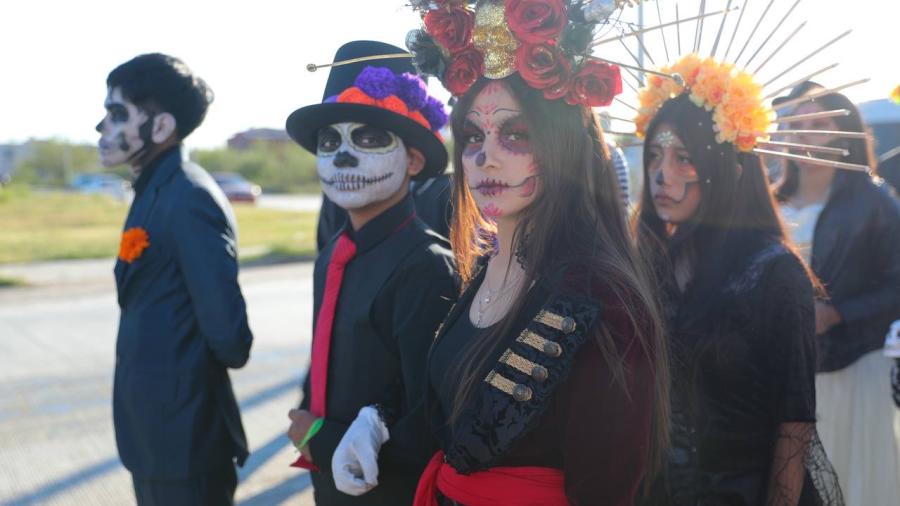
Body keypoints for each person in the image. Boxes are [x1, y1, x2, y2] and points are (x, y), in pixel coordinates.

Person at [332, 2, 669, 504]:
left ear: (560, 145)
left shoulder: (604, 299)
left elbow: (608, 486)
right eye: (472, 135)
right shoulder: (484, 267)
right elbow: (452, 414)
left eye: (515, 134)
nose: (485, 155)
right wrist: (377, 421)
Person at [633, 56, 842, 505]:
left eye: (683, 158)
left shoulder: (773, 271)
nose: (660, 174)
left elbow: (795, 421)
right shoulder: (647, 263)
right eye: (654, 156)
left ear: (726, 169)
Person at [283, 40, 457, 505]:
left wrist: (320, 436)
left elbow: (427, 418)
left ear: (414, 160)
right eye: (329, 141)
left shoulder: (426, 266)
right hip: (329, 484)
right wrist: (307, 417)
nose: (341, 156)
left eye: (368, 138)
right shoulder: (335, 254)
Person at [98, 53, 253, 505]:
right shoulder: (156, 188)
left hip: (186, 443)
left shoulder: (188, 197)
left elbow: (230, 338)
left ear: (161, 127)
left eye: (117, 114)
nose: (101, 128)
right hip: (157, 439)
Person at [773, 85, 900, 505]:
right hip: (784, 370)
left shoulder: (874, 200)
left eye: (818, 125)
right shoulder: (770, 202)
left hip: (852, 368)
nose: (805, 135)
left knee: (851, 480)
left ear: (843, 131)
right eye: (795, 125)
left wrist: (838, 313)